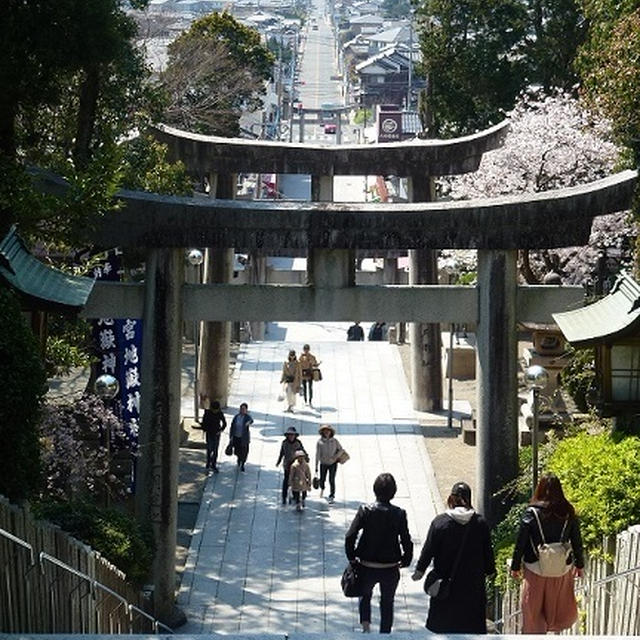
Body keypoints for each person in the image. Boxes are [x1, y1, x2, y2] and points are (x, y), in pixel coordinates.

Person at [411, 481, 495, 634]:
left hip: (446, 588)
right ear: (469, 500)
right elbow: (488, 554)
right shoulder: (480, 524)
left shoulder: (440, 523)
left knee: (444, 630)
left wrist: (419, 571)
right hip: (472, 590)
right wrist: (490, 570)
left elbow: (428, 550)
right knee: (471, 630)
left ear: (451, 499)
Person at [510, 473, 584, 634]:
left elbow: (521, 542)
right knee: (558, 607)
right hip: (561, 569)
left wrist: (515, 566)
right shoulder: (568, 512)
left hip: (535, 567)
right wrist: (580, 565)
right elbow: (577, 540)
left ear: (540, 489)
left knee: (532, 610)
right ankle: (554, 630)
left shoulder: (532, 512)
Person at [345, 473, 413, 634]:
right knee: (387, 601)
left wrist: (352, 557)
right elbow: (406, 539)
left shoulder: (365, 510)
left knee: (365, 595)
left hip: (367, 564)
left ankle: (366, 626)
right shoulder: (399, 513)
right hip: (390, 567)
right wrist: (406, 559)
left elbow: (350, 535)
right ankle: (385, 632)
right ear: (393, 492)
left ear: (375, 490)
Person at [276, 426, 307, 505]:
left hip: (296, 465)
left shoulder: (298, 443)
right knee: (286, 481)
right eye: (289, 435)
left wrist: (306, 458)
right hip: (287, 464)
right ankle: (284, 497)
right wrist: (278, 461)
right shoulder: (284, 443)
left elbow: (302, 451)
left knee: (296, 480)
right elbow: (281, 453)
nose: (291, 436)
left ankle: (296, 497)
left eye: (292, 435)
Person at [194, 398, 226, 473]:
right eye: (214, 410)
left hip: (216, 433)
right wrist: (201, 426)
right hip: (209, 433)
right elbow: (204, 424)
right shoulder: (207, 413)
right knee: (209, 449)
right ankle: (208, 464)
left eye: (216, 410)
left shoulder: (220, 413)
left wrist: (221, 430)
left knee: (215, 450)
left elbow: (224, 423)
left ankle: (213, 464)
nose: (215, 411)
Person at [315, 424, 344, 503]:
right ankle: (322, 488)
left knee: (332, 479)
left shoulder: (335, 441)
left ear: (331, 432)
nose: (326, 432)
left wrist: (335, 457)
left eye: (328, 431)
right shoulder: (320, 442)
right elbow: (317, 454)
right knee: (322, 479)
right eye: (325, 431)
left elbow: (341, 449)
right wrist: (316, 465)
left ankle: (332, 494)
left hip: (333, 463)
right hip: (323, 463)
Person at [228, 402, 253, 472]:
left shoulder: (247, 417)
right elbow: (232, 426)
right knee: (237, 451)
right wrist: (231, 436)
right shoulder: (236, 417)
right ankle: (239, 459)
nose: (242, 410)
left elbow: (251, 420)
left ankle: (242, 464)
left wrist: (248, 423)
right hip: (236, 437)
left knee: (244, 451)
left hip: (244, 438)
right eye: (241, 409)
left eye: (244, 409)